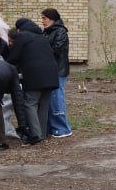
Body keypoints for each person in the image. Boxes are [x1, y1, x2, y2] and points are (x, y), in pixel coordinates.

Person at [7, 17, 60, 145]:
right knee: (43, 105)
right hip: (51, 75)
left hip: (35, 76)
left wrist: (6, 63)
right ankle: (42, 133)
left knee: (30, 103)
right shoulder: (41, 37)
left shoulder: (23, 36)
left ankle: (36, 135)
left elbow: (14, 57)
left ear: (20, 28)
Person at [41, 8, 72, 138]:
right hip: (49, 70)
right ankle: (51, 127)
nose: (42, 21)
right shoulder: (47, 32)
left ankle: (62, 128)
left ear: (52, 18)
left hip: (58, 70)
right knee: (49, 99)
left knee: (56, 99)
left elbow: (57, 49)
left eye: (44, 18)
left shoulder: (60, 31)